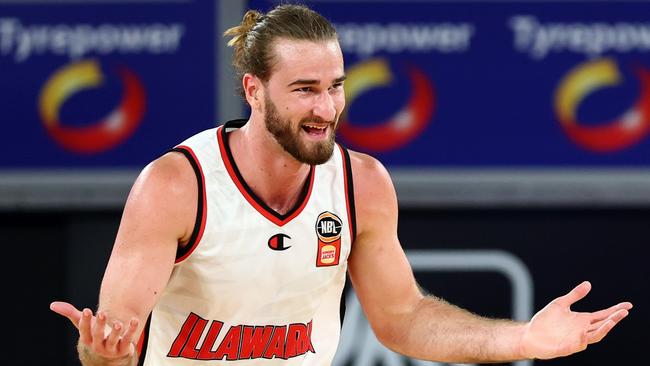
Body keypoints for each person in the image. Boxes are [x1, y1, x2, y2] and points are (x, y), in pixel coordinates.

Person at [51, 4, 632, 366]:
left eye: (335, 86)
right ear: (253, 91)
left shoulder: (362, 182)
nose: (326, 107)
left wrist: (524, 341)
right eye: (304, 88)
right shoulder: (177, 184)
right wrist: (102, 350)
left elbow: (402, 318)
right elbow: (113, 341)